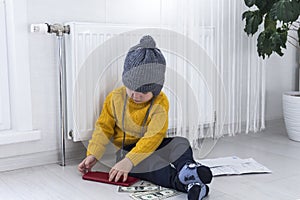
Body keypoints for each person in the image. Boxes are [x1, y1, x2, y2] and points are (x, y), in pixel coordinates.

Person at [78, 35, 212, 200]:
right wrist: (93, 154)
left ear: (155, 89)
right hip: (127, 152)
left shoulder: (160, 102)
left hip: (154, 144)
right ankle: (187, 184)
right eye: (131, 88)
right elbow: (103, 128)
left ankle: (187, 169)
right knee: (149, 166)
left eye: (143, 92)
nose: (135, 95)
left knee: (180, 142)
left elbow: (154, 136)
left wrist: (132, 160)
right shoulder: (115, 98)